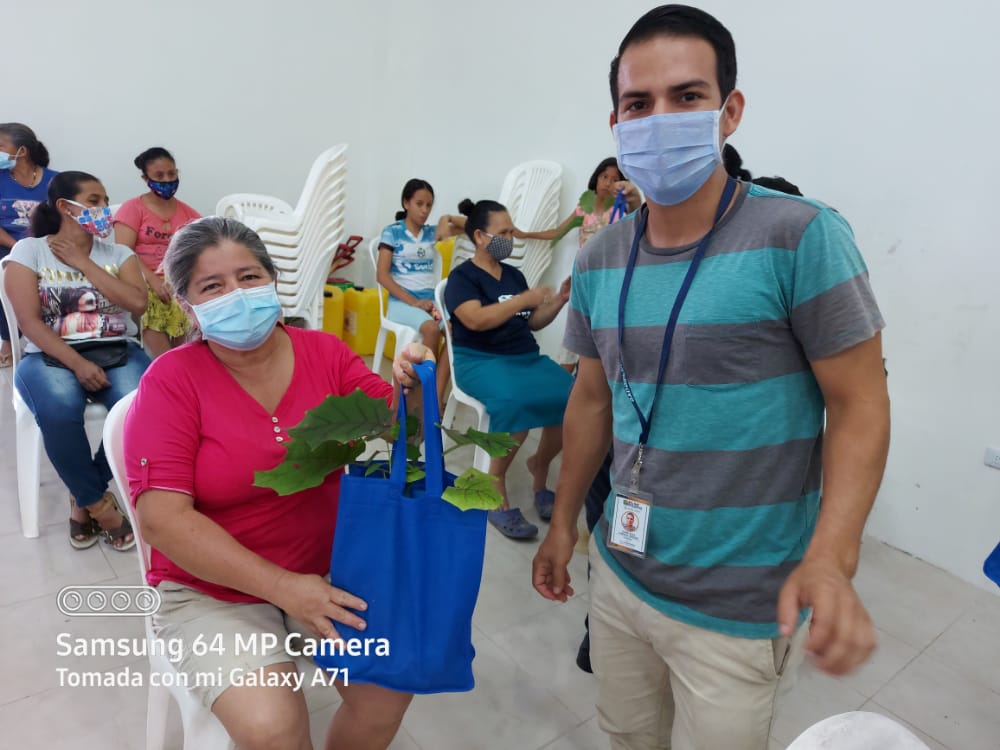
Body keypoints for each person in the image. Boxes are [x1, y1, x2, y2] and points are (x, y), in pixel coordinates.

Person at [532, 6, 890, 750]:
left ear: (730, 111)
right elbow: (592, 399)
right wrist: (564, 522)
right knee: (627, 736)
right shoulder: (600, 258)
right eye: (639, 103)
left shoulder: (801, 236)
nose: (661, 118)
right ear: (616, 124)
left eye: (687, 96)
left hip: (739, 608)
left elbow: (859, 402)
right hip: (621, 572)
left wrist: (833, 557)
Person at [124, 216, 432, 750]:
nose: (237, 295)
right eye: (213, 286)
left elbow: (399, 426)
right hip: (213, 589)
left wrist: (414, 384)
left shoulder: (326, 354)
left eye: (249, 277)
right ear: (187, 305)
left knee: (388, 689)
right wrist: (285, 589)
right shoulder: (172, 382)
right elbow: (163, 522)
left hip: (328, 568)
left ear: (272, 280)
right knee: (273, 729)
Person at [3, 170, 150, 551]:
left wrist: (84, 263)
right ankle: (101, 507)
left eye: (105, 201)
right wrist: (77, 363)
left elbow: (137, 303)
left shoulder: (119, 254)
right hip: (49, 353)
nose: (105, 209)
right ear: (65, 207)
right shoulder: (30, 251)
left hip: (117, 348)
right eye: (95, 201)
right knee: (58, 410)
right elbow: (29, 323)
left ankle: (83, 494)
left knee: (143, 408)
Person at [444, 200, 573, 539]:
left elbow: (532, 321)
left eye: (511, 232)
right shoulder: (462, 277)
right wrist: (521, 300)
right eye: (503, 233)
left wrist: (558, 301)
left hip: (524, 358)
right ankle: (494, 485)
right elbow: (474, 319)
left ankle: (539, 468)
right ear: (479, 236)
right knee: (515, 402)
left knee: (573, 397)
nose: (510, 239)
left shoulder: (514, 276)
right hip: (479, 360)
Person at [518, 157, 641, 373]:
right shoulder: (583, 209)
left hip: (610, 281)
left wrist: (634, 198)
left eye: (615, 179)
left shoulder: (622, 211)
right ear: (596, 179)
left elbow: (638, 218)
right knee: (574, 335)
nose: (608, 183)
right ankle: (563, 385)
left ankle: (596, 377)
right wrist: (525, 234)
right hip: (584, 279)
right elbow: (558, 232)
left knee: (603, 333)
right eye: (604, 176)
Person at [377, 178, 462, 407]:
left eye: (429, 205)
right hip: (402, 302)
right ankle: (423, 394)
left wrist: (446, 219)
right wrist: (414, 302)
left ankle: (435, 395)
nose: (425, 210)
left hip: (430, 302)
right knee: (432, 330)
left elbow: (472, 225)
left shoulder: (432, 233)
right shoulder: (392, 233)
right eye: (419, 204)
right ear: (406, 203)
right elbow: (382, 276)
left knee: (454, 332)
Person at [113, 146, 201, 357]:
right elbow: (123, 251)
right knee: (153, 300)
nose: (167, 180)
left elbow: (197, 249)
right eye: (159, 176)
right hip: (138, 275)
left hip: (174, 276)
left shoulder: (189, 213)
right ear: (145, 178)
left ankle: (182, 357)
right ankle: (165, 361)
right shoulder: (133, 208)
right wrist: (153, 279)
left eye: (171, 174)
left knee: (185, 298)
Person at [0, 123, 58, 366]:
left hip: (47, 245)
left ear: (21, 151)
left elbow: (64, 221)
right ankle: (8, 339)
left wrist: (38, 248)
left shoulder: (55, 181)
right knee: (6, 270)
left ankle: (54, 335)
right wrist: (18, 247)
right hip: (7, 245)